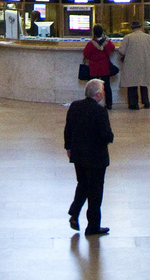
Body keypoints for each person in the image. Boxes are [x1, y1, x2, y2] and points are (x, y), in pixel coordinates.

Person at [64, 78, 113, 236]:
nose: (104, 94)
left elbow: (68, 129)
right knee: (95, 193)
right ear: (98, 94)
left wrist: (68, 147)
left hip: (78, 155)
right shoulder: (100, 112)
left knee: (83, 184)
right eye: (103, 92)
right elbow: (106, 135)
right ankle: (92, 226)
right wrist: (110, 137)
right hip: (96, 159)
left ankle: (75, 212)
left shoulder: (75, 106)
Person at [116, 20, 150, 109]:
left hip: (131, 64)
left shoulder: (128, 37)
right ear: (141, 27)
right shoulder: (148, 37)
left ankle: (134, 104)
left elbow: (122, 50)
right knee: (143, 83)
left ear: (132, 28)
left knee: (132, 84)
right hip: (145, 63)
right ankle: (146, 102)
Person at [82, 26, 118, 110]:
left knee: (93, 87)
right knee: (107, 86)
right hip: (105, 67)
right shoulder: (107, 42)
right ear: (102, 32)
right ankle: (109, 104)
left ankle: (92, 103)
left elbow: (86, 54)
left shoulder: (91, 43)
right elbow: (112, 48)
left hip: (94, 68)